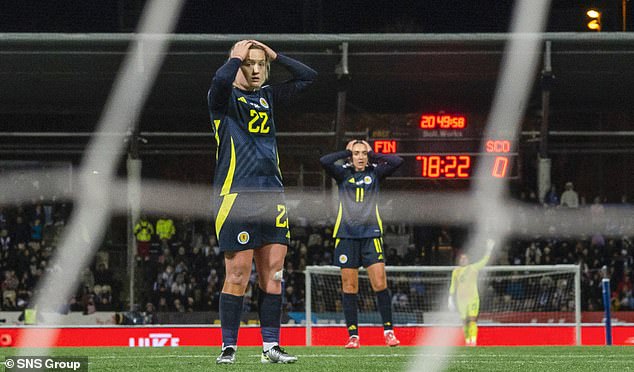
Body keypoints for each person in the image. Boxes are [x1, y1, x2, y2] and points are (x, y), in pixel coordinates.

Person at [208, 39, 316, 364]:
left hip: (273, 197)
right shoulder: (223, 101)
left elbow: (308, 77)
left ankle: (271, 346)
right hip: (235, 197)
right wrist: (235, 56)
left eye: (260, 64)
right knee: (238, 275)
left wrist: (276, 55)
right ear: (236, 64)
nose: (255, 70)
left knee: (275, 274)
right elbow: (218, 82)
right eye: (247, 64)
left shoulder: (268, 96)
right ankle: (229, 345)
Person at [319, 139, 404, 349]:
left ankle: (389, 332)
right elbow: (324, 161)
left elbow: (397, 161)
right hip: (346, 236)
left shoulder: (375, 173)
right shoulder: (342, 174)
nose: (359, 157)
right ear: (351, 155)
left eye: (363, 153)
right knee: (349, 287)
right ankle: (353, 336)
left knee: (380, 283)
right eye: (356, 153)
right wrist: (345, 151)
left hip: (371, 235)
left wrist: (372, 154)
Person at [448, 239, 495, 346]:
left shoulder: (473, 268)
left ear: (468, 260)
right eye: (462, 259)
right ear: (459, 260)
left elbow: (484, 261)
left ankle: (473, 341)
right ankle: (467, 341)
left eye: (465, 258)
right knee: (464, 321)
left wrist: (488, 249)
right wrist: (450, 298)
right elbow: (453, 286)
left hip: (473, 298)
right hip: (461, 300)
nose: (463, 260)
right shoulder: (456, 272)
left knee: (472, 319)